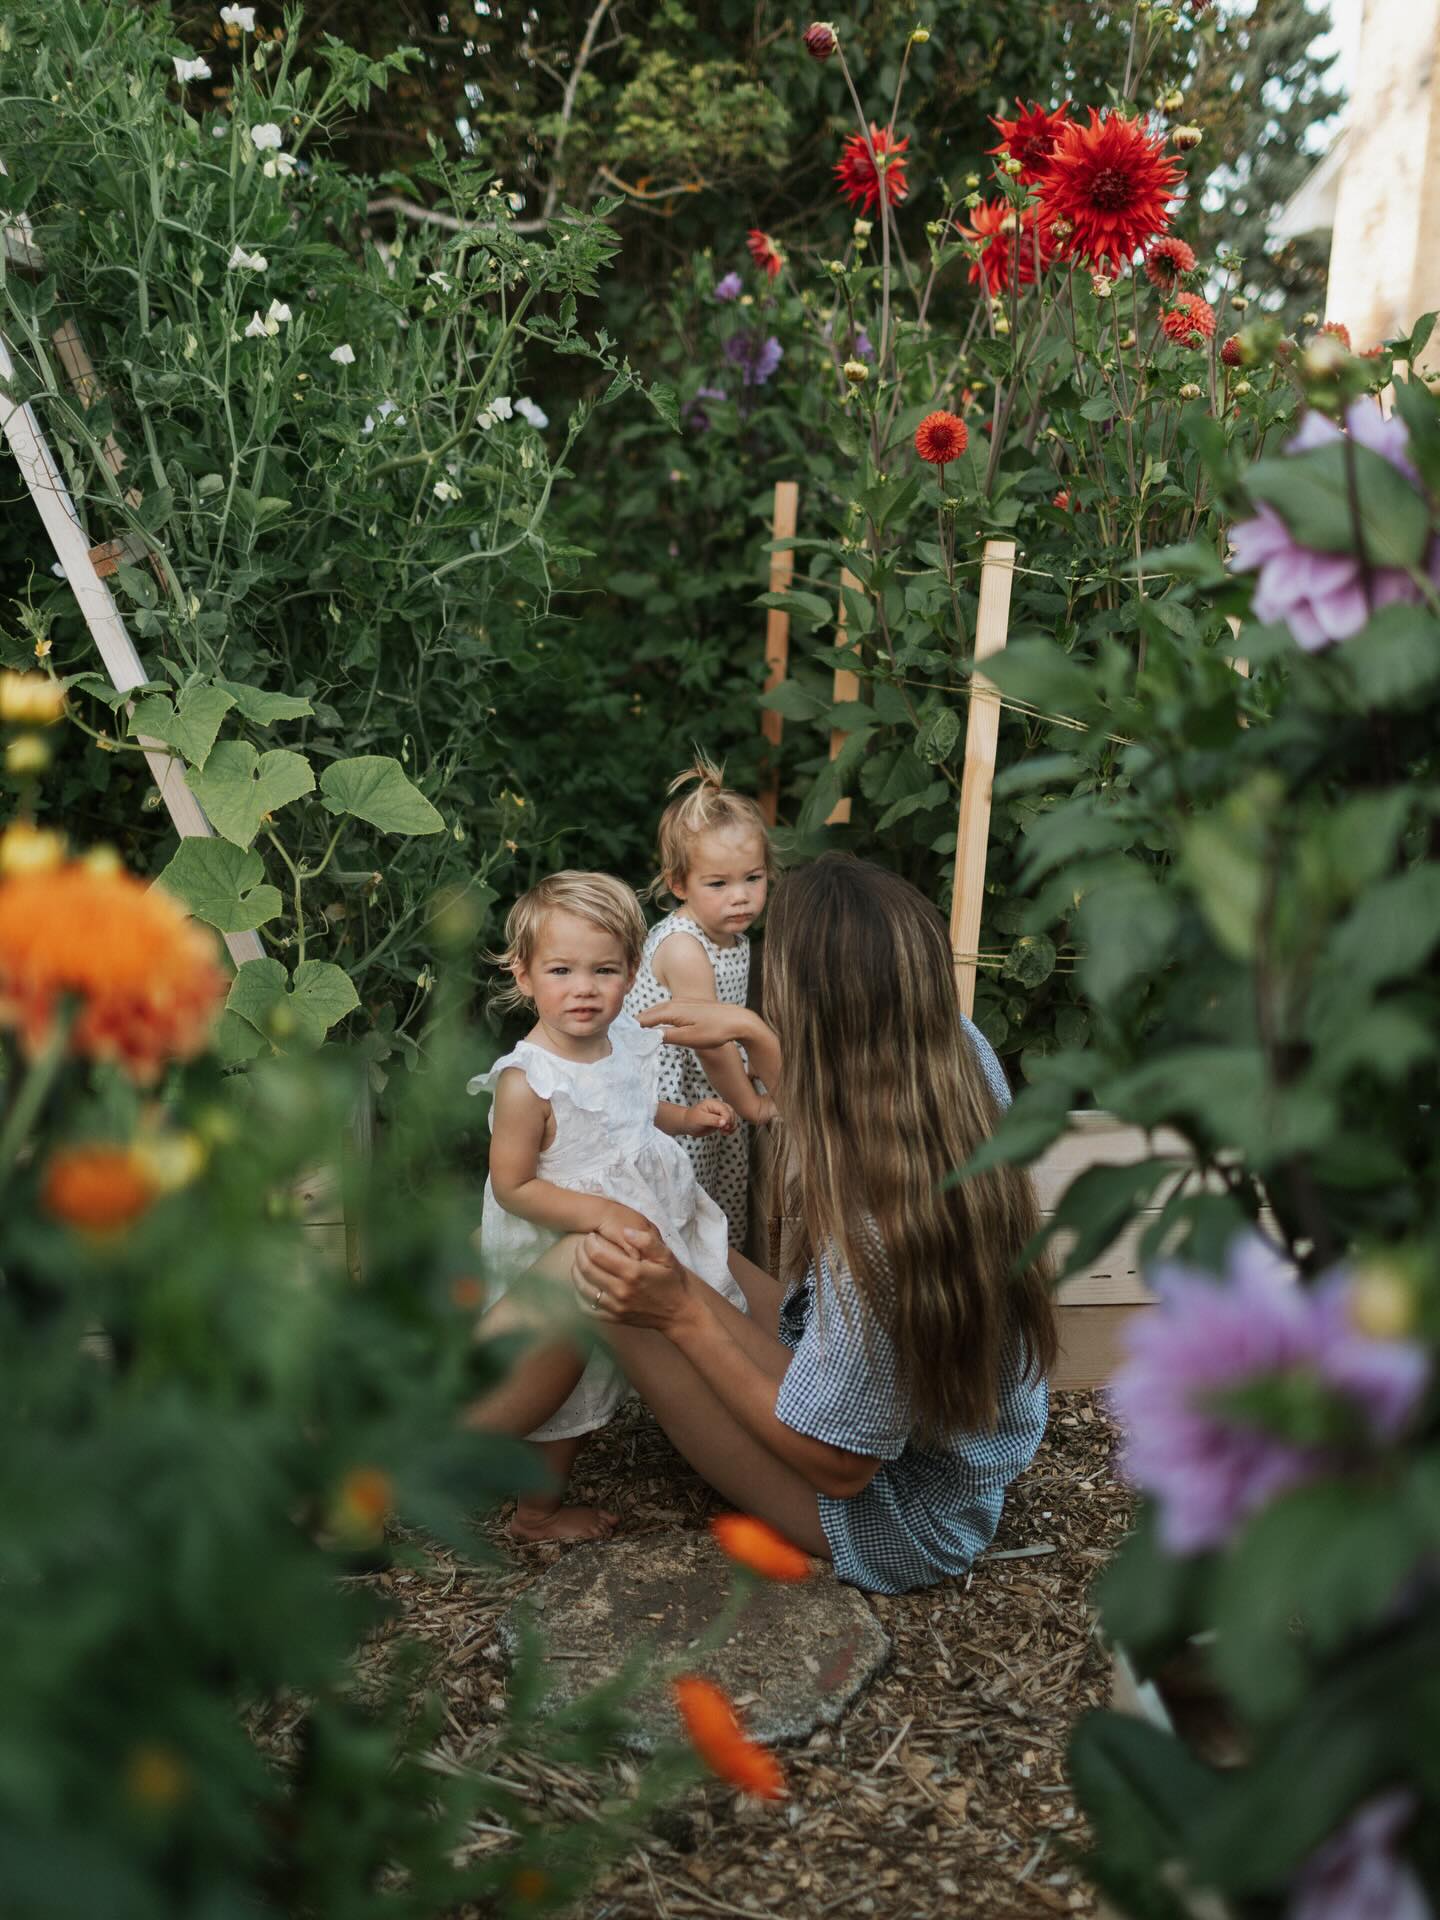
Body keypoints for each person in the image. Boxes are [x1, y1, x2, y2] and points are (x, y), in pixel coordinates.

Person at [575, 856, 1058, 1594]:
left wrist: (681, 1317)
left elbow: (843, 1464)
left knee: (605, 1272)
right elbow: (853, 1084)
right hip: (947, 1446)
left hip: (903, 1514)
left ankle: (439, 1455)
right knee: (646, 1229)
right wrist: (754, 1036)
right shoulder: (957, 1049)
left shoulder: (878, 1226)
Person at [467, 871, 745, 1542]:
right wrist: (597, 1214)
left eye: (606, 970)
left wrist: (686, 1117)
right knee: (568, 1390)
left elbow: (632, 1108)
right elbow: (515, 1187)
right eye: (562, 970)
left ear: (631, 974)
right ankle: (535, 1513)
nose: (585, 988)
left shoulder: (620, 1041)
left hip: (642, 1223)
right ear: (525, 975)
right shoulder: (526, 1082)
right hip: (561, 1248)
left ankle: (724, 1449)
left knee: (687, 1333)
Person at [624, 757, 775, 1252]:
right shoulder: (686, 947)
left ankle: (721, 1284)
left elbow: (728, 1029)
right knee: (681, 1204)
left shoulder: (735, 937)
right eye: (719, 884)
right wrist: (751, 1104)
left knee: (717, 1198)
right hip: (672, 1093)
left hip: (710, 1084)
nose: (741, 897)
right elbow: (710, 1042)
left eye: (753, 878)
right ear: (678, 884)